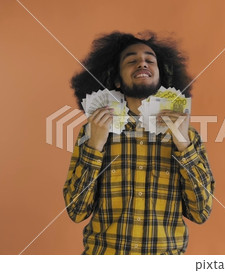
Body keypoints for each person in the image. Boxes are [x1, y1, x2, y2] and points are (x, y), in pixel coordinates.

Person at [63, 31, 215, 254]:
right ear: (117, 80)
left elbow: (201, 213)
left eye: (149, 60)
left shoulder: (186, 135)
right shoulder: (94, 131)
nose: (142, 63)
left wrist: (183, 145)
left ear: (161, 77)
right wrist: (94, 146)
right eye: (132, 60)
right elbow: (76, 211)